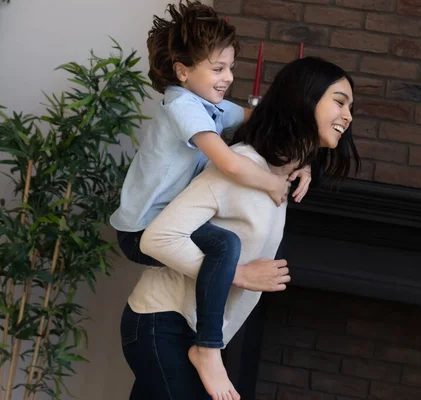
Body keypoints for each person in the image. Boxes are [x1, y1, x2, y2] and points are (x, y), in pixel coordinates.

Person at [120, 56, 359, 400]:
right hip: (164, 324)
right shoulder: (242, 166)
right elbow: (157, 238)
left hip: (188, 332)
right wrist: (241, 275)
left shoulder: (276, 177)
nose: (348, 116)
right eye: (339, 101)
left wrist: (302, 163)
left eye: (351, 107)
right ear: (304, 99)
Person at [110, 2, 312, 398]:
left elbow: (263, 125)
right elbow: (229, 163)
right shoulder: (182, 105)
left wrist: (300, 164)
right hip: (139, 230)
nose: (228, 78)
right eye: (217, 69)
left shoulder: (211, 106)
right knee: (226, 244)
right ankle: (208, 347)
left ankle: (205, 343)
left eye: (231, 68)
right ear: (182, 71)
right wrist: (272, 186)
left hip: (157, 221)